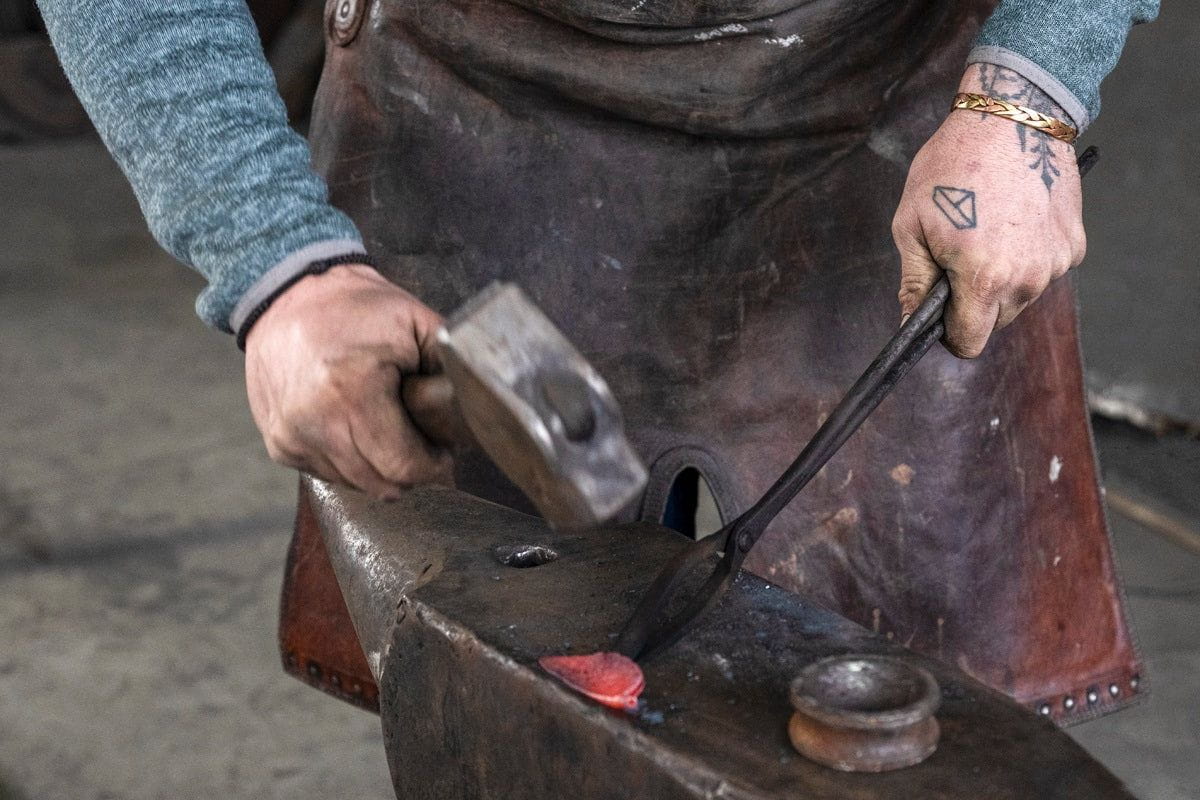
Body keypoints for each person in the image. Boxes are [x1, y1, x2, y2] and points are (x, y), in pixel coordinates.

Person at [37, 0, 1156, 718]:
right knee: (522, 724)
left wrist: (1031, 90)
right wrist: (275, 264)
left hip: (885, 116)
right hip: (475, 105)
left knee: (909, 733)